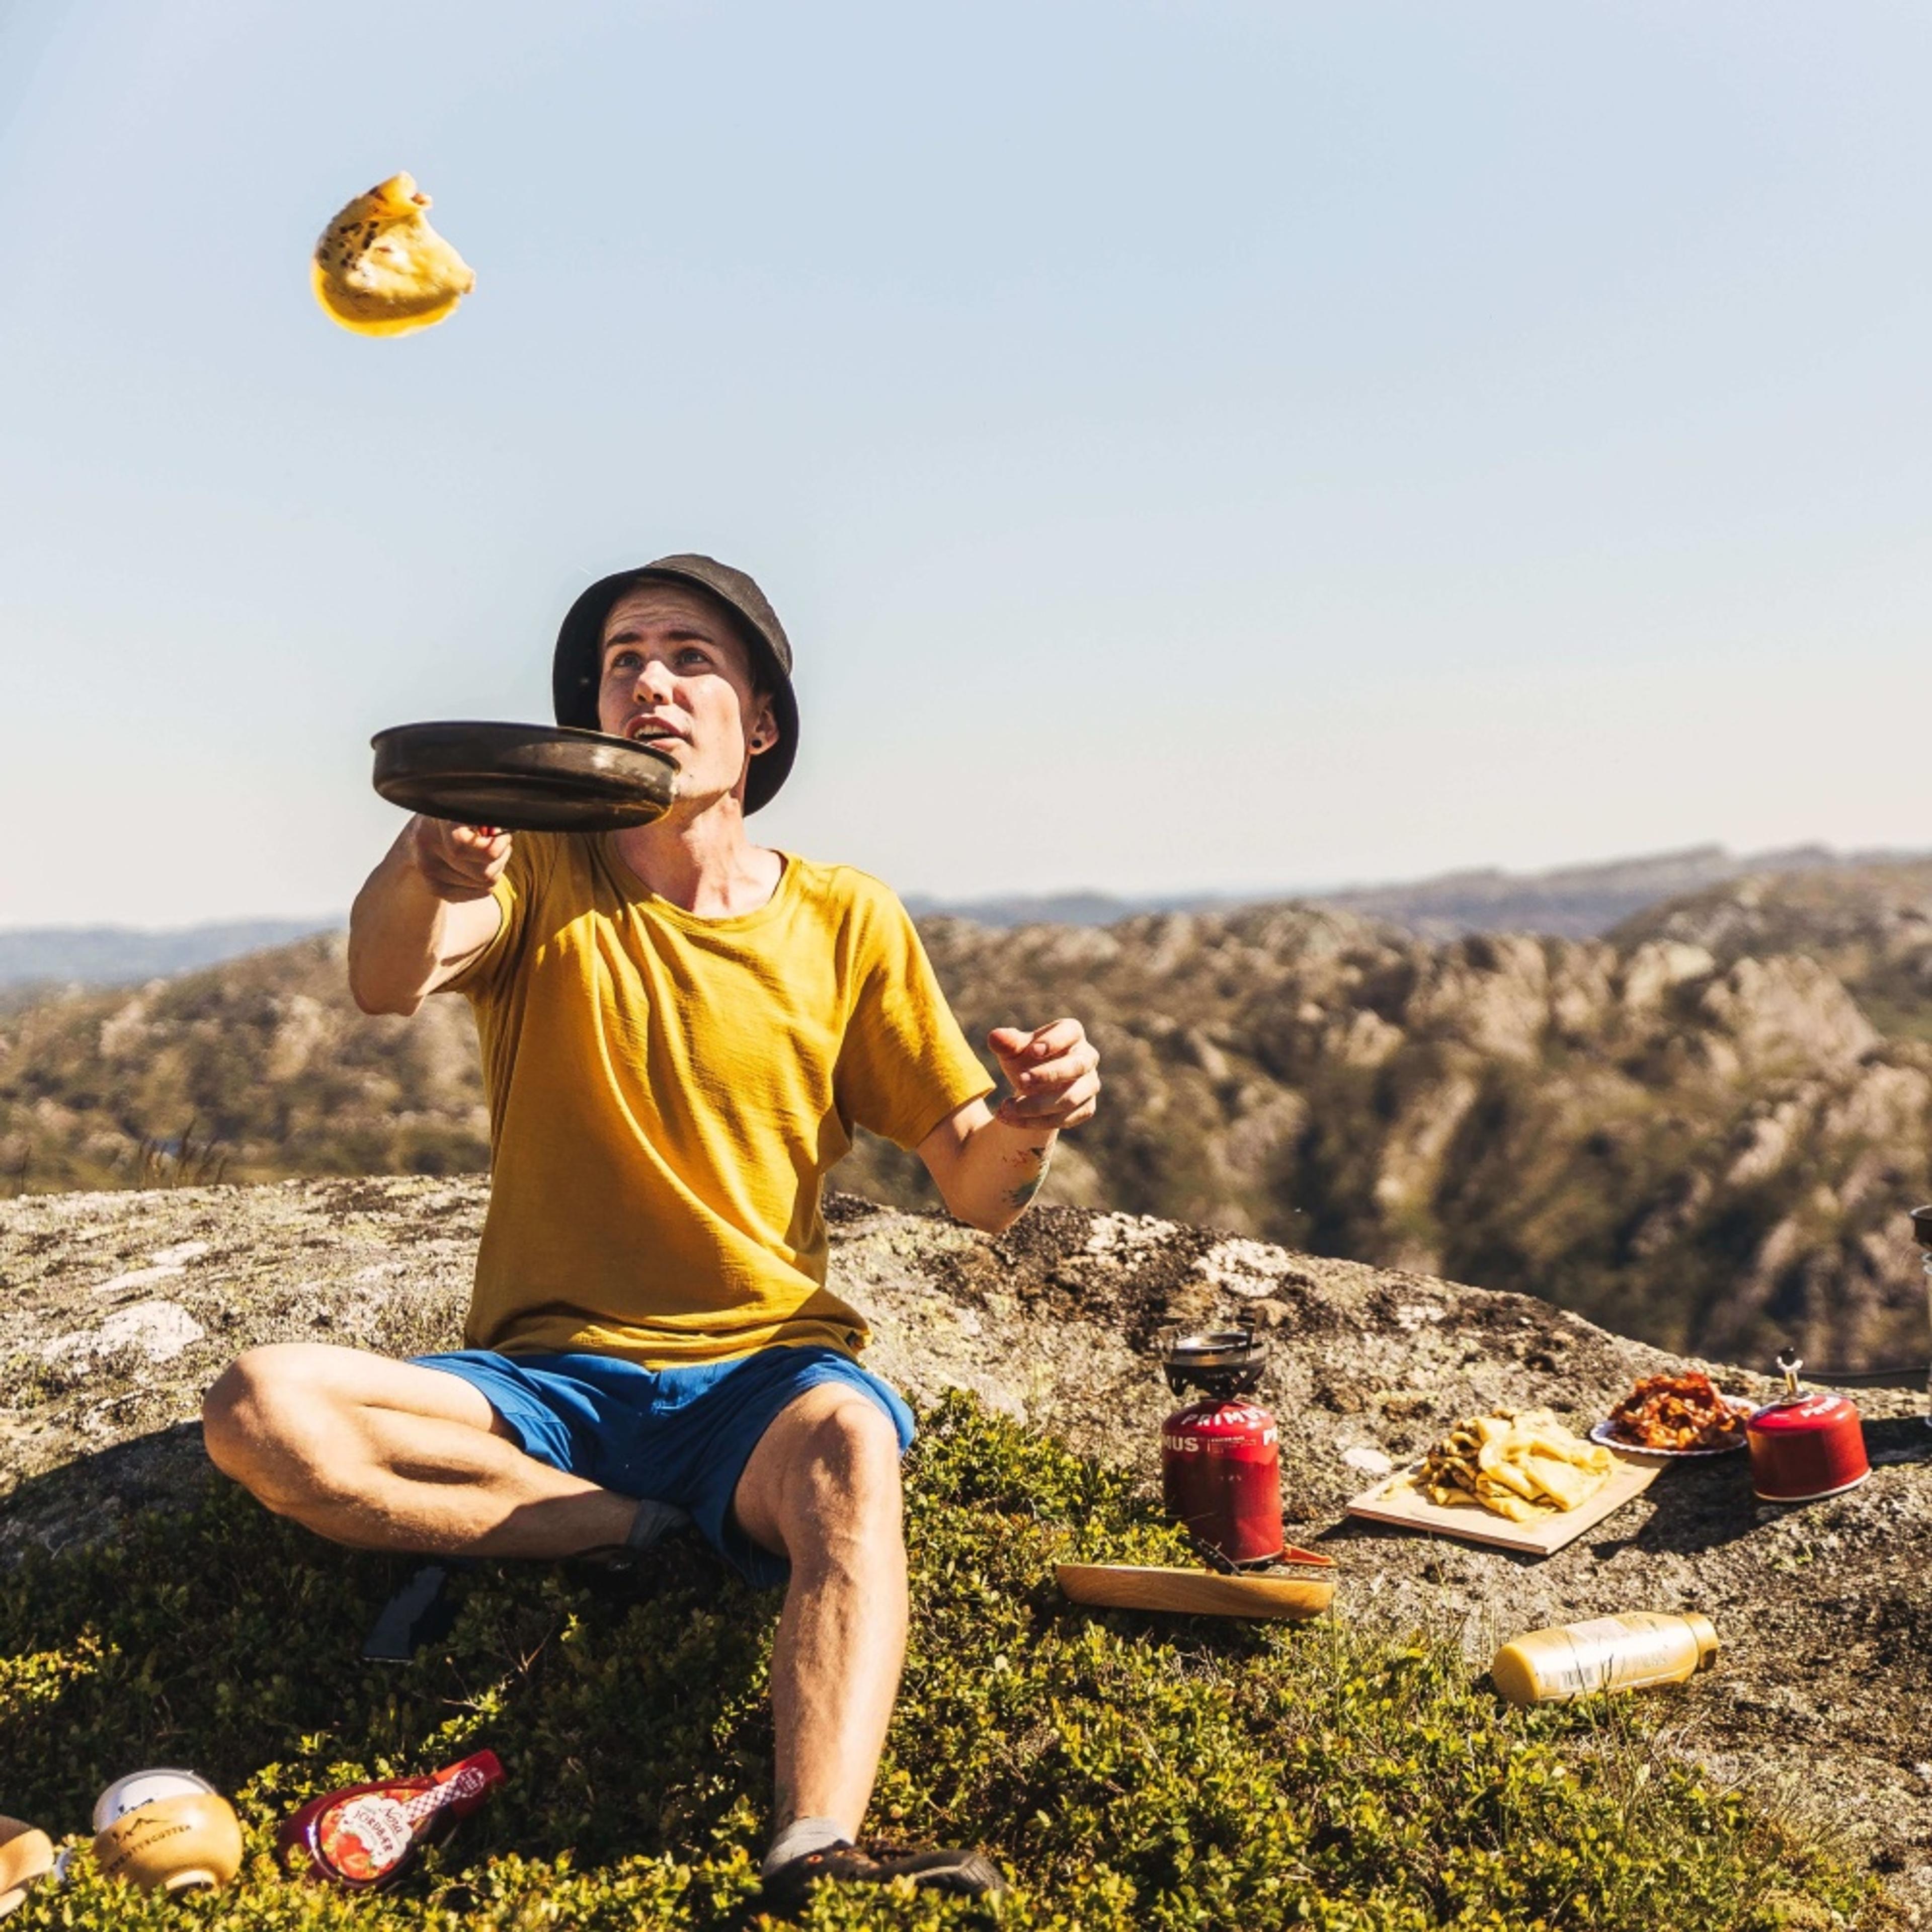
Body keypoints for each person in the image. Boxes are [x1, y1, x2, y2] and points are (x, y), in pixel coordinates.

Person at [200, 553, 1100, 1913]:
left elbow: (978, 1190)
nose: (649, 682)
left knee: (852, 1444)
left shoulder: (844, 918)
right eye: (624, 660)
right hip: (539, 1387)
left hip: (756, 1382)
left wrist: (1033, 1118)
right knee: (262, 1410)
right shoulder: (542, 874)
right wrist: (427, 854)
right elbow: (388, 979)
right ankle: (628, 1531)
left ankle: (816, 1845)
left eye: (690, 658)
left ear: (762, 722)